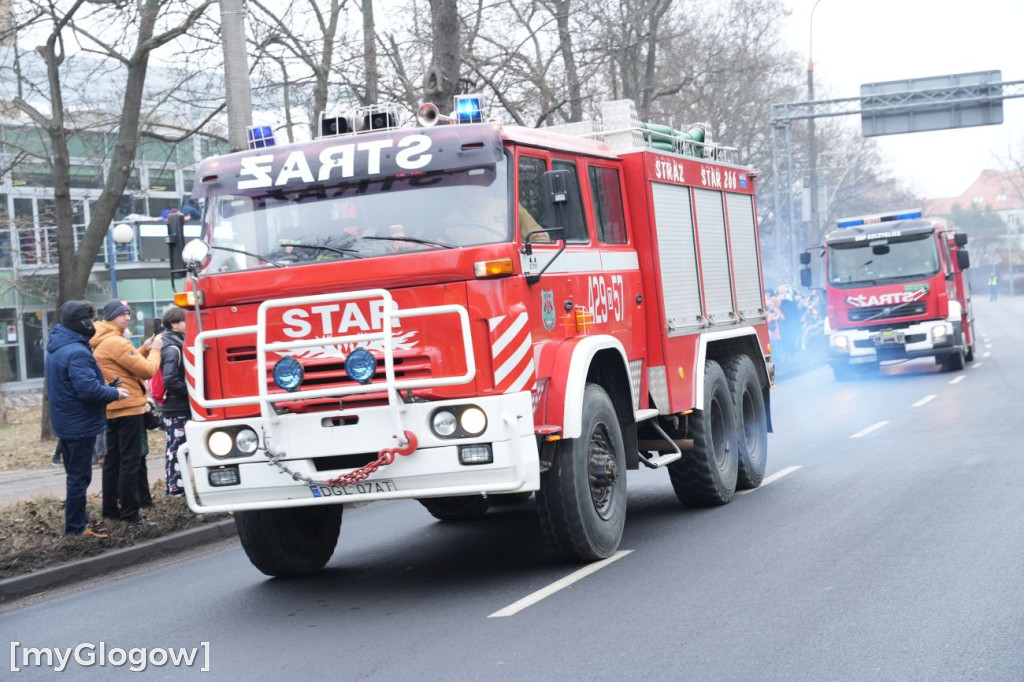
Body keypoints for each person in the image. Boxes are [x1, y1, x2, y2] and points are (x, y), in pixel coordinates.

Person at [46, 300, 129, 537]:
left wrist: (105, 387)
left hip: (67, 421)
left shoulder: (59, 345)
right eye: (92, 320)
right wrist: (114, 393)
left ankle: (78, 521)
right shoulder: (76, 352)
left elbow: (75, 386)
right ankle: (76, 528)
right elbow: (88, 391)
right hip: (79, 424)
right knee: (79, 478)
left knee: (75, 475)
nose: (94, 324)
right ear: (82, 323)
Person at [91, 299, 163, 524]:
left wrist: (144, 349)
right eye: (121, 314)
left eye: (128, 313)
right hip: (128, 407)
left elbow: (123, 364)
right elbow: (147, 370)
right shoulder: (116, 341)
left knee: (112, 461)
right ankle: (131, 513)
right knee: (130, 462)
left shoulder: (103, 338)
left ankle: (110, 510)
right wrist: (156, 350)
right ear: (110, 317)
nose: (127, 317)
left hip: (112, 407)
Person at [158, 306, 189, 496]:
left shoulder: (169, 342)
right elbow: (170, 379)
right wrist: (190, 393)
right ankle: (176, 489)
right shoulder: (173, 348)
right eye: (185, 320)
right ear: (175, 325)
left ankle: (174, 488)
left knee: (174, 449)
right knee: (178, 449)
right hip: (177, 406)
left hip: (172, 406)